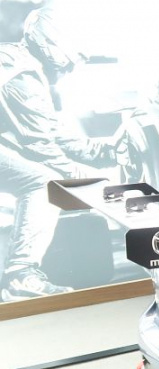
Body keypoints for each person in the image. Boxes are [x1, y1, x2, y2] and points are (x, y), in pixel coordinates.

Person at [0, 8, 117, 300]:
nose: (74, 66)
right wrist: (92, 183)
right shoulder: (22, 76)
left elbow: (52, 131)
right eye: (75, 57)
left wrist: (107, 152)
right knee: (40, 183)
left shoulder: (22, 64)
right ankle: (21, 276)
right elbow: (40, 145)